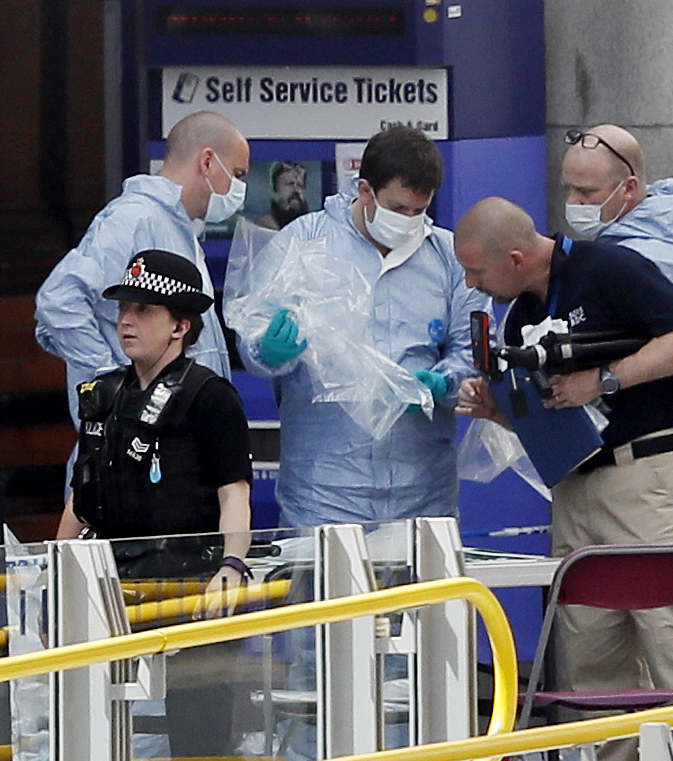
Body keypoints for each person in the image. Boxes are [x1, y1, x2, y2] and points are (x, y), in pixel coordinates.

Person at [454, 197, 673, 761]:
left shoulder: (608, 269)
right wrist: (499, 408)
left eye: (477, 272)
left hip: (646, 474)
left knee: (671, 641)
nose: (473, 286)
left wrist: (605, 380)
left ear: (515, 256)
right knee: (590, 654)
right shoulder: (520, 315)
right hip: (576, 486)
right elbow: (550, 413)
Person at [228, 126, 490, 527]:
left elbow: (473, 351)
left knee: (424, 592)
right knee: (325, 591)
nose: (409, 221)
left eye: (420, 211)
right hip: (323, 495)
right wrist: (268, 348)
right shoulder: (305, 242)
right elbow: (253, 334)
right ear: (365, 191)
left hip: (423, 496)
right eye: (399, 209)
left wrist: (444, 381)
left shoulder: (447, 258)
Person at [56, 248, 254, 761]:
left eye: (144, 309)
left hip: (191, 583)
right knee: (91, 724)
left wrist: (231, 567)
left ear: (180, 326)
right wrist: (56, 570)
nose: (126, 319)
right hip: (113, 584)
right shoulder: (105, 394)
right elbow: (84, 493)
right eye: (124, 307)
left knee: (200, 738)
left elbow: (233, 490)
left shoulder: (210, 397)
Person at [561, 123, 673, 552]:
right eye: (568, 189)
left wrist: (600, 380)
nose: (573, 203)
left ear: (628, 188)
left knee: (666, 608)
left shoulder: (639, 255)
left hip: (664, 461)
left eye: (586, 193)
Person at [35, 110, 250, 425]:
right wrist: (110, 381)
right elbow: (59, 301)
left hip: (176, 445)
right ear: (207, 162)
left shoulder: (179, 231)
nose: (240, 190)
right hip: (137, 447)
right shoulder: (134, 220)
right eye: (238, 173)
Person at [255, 161, 309, 230]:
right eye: (290, 184)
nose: (296, 190)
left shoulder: (311, 227)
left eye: (300, 185)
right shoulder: (261, 228)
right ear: (274, 190)